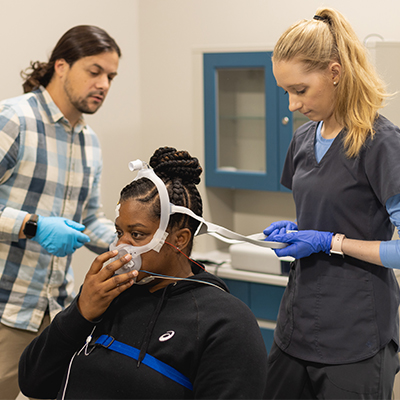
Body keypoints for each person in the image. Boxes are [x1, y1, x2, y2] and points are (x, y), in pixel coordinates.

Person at [18, 147, 269, 399]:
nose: (120, 246)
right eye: (119, 233)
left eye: (137, 235)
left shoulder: (224, 322)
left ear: (179, 239)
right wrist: (80, 313)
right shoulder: (108, 295)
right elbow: (33, 382)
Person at [262, 7, 400, 399]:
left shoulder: (381, 143)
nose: (291, 105)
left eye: (300, 90)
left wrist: (330, 241)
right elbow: (319, 212)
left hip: (356, 335)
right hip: (296, 325)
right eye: (285, 91)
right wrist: (294, 232)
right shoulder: (303, 140)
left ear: (335, 73)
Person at [0, 25, 120, 399]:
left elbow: (89, 220)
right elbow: (37, 225)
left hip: (58, 313)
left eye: (111, 77)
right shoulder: (14, 119)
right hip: (6, 311)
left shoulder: (89, 141)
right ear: (61, 66)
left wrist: (130, 245)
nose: (103, 84)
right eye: (95, 71)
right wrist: (32, 225)